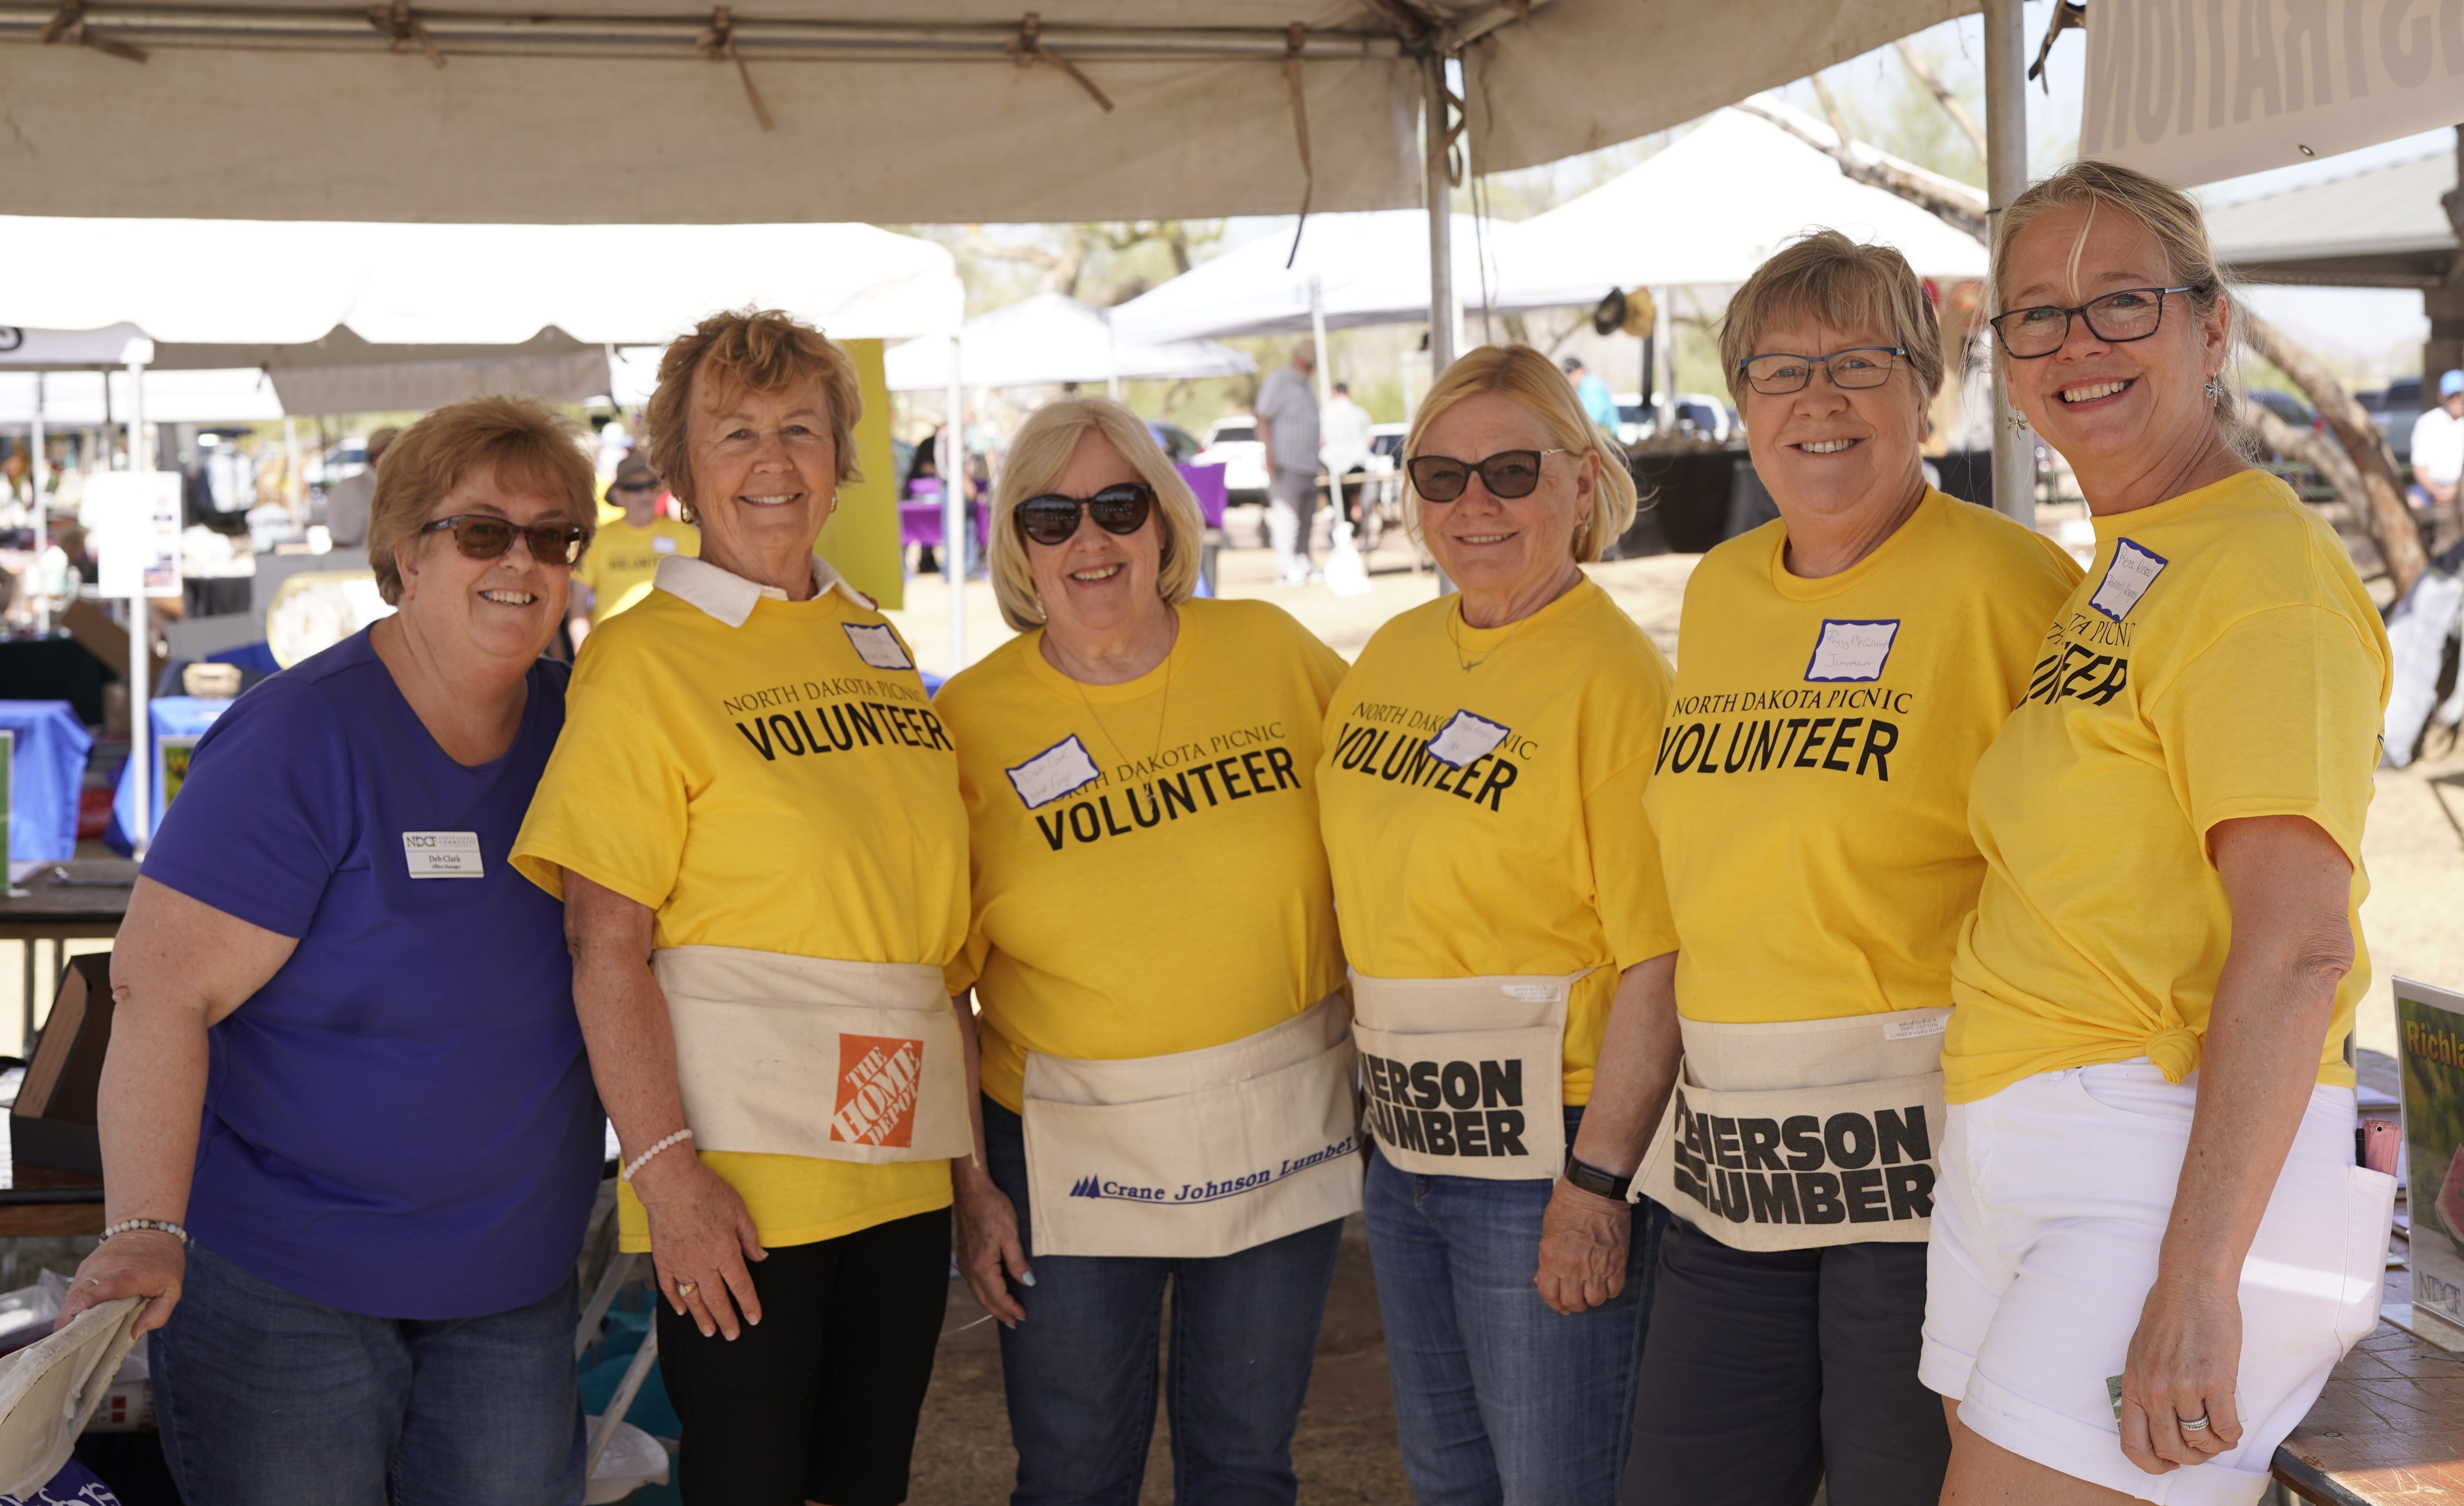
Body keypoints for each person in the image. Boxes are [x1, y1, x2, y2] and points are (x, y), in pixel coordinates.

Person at [1557, 232, 2082, 1506]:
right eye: (1781, 370)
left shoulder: (2014, 584)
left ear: (1927, 388)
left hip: (1926, 1191)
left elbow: (2087, 880)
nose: (1820, 399)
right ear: (1739, 405)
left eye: (1861, 361)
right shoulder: (1726, 589)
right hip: (1731, 1190)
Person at [1927, 160, 2396, 1505]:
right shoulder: (2133, 557)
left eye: (2119, 302)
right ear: (2005, 362)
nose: (2076, 343)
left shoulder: (2252, 573)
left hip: (2157, 1164)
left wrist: (2195, 1279)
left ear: (2208, 328)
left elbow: (2297, 946)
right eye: (2035, 314)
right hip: (2030, 1139)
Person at [58, 396, 605, 1502]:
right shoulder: (301, 738)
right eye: (484, 531)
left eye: (554, 536)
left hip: (510, 1281)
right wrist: (147, 1228)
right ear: (404, 552)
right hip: (284, 1287)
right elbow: (159, 994)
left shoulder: (590, 728)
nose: (524, 561)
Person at [512, 309, 970, 1506]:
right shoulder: (644, 658)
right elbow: (600, 939)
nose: (772, 460)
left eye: (800, 430)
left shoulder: (873, 635)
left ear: (841, 463)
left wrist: (970, 1176)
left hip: (899, 1163)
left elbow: (918, 940)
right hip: (746, 1181)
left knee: (864, 1483)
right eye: (735, 433)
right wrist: (664, 1175)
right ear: (679, 471)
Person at [941, 396, 1359, 1504]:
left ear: (1167, 524)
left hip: (1276, 1117)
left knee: (1242, 1464)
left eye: (1118, 507)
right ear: (1017, 544)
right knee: (1075, 1470)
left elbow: (1394, 835)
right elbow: (937, 978)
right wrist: (972, 1186)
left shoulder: (1272, 652)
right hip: (1066, 1143)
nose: (1090, 540)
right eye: (1052, 516)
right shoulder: (970, 721)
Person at [1317, 344, 1665, 1506]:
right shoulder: (1396, 653)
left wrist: (1595, 1187)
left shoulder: (1613, 680)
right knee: (1449, 1482)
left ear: (1580, 481)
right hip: (1408, 1145)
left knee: (1555, 1487)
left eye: (1512, 472)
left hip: (1546, 1157)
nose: (1474, 505)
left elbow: (1658, 960)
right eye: (1440, 475)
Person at [568, 453, 696, 649]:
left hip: (675, 647)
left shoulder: (687, 535)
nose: (645, 494)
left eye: (651, 486)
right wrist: (584, 656)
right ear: (619, 495)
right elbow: (579, 608)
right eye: (635, 488)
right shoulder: (598, 539)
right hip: (613, 649)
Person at [1256, 343, 1322, 585]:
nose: (1310, 368)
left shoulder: (1307, 386)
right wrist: (1268, 454)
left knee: (1306, 518)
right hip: (1286, 464)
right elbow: (1262, 416)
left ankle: (1303, 561)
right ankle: (1285, 566)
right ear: (1296, 358)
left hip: (1308, 464)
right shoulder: (1280, 381)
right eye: (1307, 362)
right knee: (1287, 518)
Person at [322, 424, 399, 549]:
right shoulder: (350, 488)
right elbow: (339, 545)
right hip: (360, 566)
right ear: (379, 452)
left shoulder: (404, 485)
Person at [2408, 369, 2463, 520]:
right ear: (2442, 396)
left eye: (2461, 394)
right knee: (2413, 504)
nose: (2458, 399)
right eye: (2452, 395)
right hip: (2429, 490)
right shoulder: (2427, 422)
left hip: (2461, 488)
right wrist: (2436, 491)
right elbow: (2419, 467)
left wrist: (2457, 490)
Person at [1321, 379, 1375, 531]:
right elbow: (1370, 440)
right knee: (1354, 500)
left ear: (1334, 393)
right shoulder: (1361, 413)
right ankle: (1354, 524)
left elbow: (1322, 440)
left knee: (1340, 503)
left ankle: (1349, 528)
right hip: (1358, 463)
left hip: (1334, 466)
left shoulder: (1327, 413)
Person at [1564, 356, 1619, 434]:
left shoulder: (1591, 387)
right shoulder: (1582, 388)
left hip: (1603, 433)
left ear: (1581, 370)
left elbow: (1597, 416)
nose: (1571, 378)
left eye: (1572, 374)